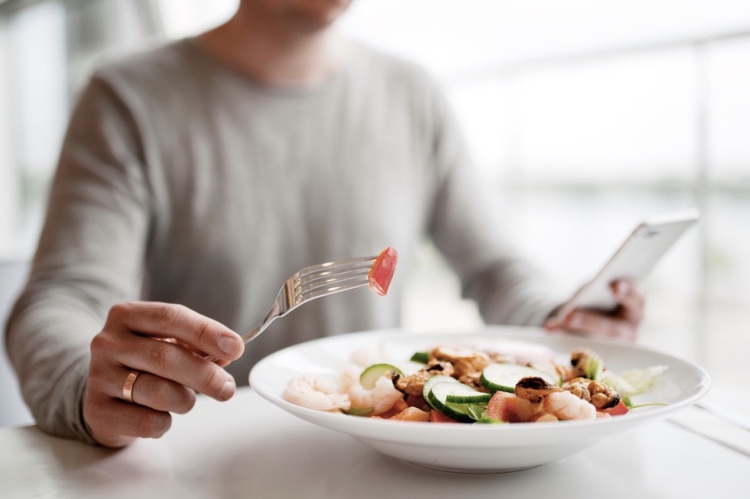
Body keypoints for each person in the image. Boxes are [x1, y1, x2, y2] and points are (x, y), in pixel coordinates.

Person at [4, 0, 644, 448]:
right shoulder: (127, 97)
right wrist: (86, 388)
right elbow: (62, 297)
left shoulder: (411, 93)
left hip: (383, 461)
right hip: (198, 458)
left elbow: (494, 267)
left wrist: (565, 320)